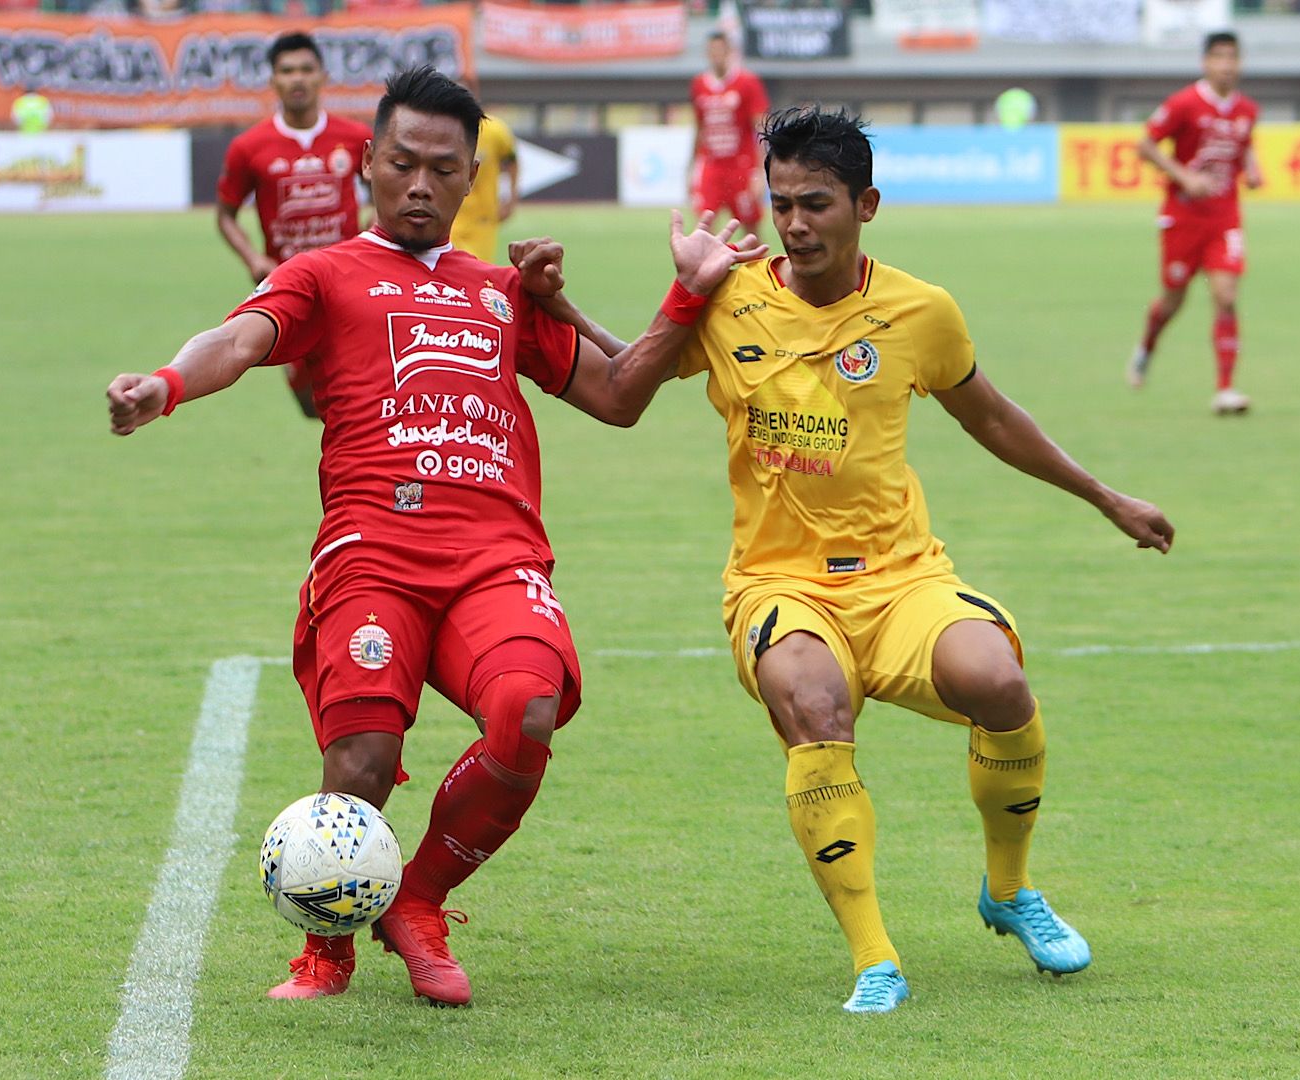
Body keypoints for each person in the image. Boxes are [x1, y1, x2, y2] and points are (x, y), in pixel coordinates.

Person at [105, 67, 764, 1007]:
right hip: (373, 557)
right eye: (402, 162)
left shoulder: (504, 292)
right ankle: (326, 952)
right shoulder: (322, 275)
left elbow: (621, 395)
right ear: (367, 162)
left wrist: (683, 295)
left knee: (528, 709)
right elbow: (241, 340)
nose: (420, 183)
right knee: (362, 763)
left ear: (469, 182)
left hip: (496, 562)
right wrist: (165, 385)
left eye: (442, 169)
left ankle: (416, 902)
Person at [541, 107, 1175, 1014]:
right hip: (779, 584)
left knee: (997, 681)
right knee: (814, 703)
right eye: (782, 203)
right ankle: (875, 957)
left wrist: (1108, 498)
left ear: (865, 204)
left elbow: (992, 419)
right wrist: (560, 303)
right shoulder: (732, 294)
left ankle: (1009, 889)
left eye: (816, 204)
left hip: (902, 578)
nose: (795, 224)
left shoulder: (921, 312)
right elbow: (629, 369)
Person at [214, 31, 371, 419]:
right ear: (273, 80)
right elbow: (225, 216)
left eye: (306, 69)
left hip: (348, 276)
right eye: (287, 71)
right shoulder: (249, 147)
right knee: (310, 404)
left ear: (322, 76)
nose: (297, 78)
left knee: (356, 384)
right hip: (290, 284)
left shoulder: (356, 137)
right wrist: (252, 258)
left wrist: (370, 234)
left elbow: (389, 194)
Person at [1129, 31, 1261, 415]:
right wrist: (1184, 177)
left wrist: (1252, 169)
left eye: (1232, 57)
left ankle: (1225, 389)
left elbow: (1243, 147)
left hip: (1224, 218)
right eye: (1218, 57)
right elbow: (1145, 144)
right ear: (1206, 63)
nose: (1226, 65)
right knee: (1173, 299)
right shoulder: (1184, 103)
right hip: (1184, 216)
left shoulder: (1247, 110)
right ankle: (1146, 347)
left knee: (1226, 296)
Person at [690, 29, 769, 237]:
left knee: (751, 227)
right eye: (712, 51)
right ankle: (711, 268)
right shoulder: (700, 84)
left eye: (720, 50)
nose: (716, 55)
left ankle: (756, 266)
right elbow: (699, 128)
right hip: (712, 165)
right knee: (704, 225)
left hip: (741, 165)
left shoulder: (747, 82)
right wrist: (692, 166)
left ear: (729, 52)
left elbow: (760, 128)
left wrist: (760, 172)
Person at [449, 106, 519, 263]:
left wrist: (511, 199)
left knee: (477, 275)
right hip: (447, 219)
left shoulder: (494, 130)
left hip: (482, 222)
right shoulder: (438, 129)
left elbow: (512, 161)